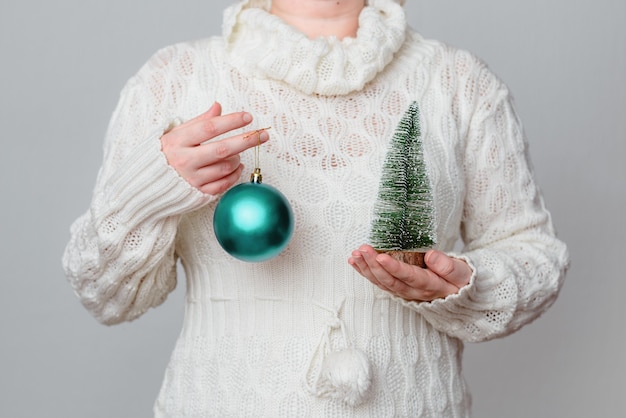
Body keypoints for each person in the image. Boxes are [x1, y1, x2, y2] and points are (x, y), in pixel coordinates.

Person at [62, 0, 569, 416]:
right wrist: (153, 186)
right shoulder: (174, 80)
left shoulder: (459, 83)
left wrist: (463, 283)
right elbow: (107, 295)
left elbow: (534, 253)